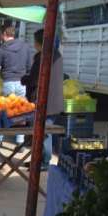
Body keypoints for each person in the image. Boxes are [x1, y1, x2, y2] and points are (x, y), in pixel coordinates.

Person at [21, 28, 64, 171]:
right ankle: (37, 161)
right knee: (41, 132)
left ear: (39, 43)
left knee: (44, 133)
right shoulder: (55, 54)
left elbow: (36, 80)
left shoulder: (44, 57)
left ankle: (45, 162)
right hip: (52, 102)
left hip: (47, 103)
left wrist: (24, 79)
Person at [0, 24, 33, 147]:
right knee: (21, 112)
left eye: (0, 34)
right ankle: (20, 141)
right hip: (22, 83)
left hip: (7, 83)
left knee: (3, 111)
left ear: (4, 34)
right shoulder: (25, 47)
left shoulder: (1, 49)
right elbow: (29, 67)